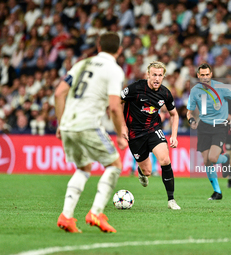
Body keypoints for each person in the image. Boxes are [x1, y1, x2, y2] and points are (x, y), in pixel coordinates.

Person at [55, 32, 128, 233]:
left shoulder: (81, 64)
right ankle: (96, 212)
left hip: (68, 125)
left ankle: (66, 216)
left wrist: (61, 124)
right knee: (114, 165)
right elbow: (114, 106)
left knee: (83, 167)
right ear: (119, 50)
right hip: (88, 125)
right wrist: (121, 133)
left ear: (98, 47)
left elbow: (59, 92)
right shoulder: (114, 70)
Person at [121, 61, 181, 210]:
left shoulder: (165, 93)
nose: (157, 78)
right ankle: (142, 172)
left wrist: (174, 135)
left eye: (160, 75)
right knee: (147, 171)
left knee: (165, 160)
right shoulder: (135, 88)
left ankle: (171, 200)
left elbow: (174, 114)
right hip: (134, 133)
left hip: (153, 129)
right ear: (148, 74)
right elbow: (117, 102)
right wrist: (122, 126)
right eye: (154, 75)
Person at [186, 63, 231, 200]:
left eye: (207, 74)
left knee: (213, 158)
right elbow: (189, 111)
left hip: (219, 126)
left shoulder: (221, 88)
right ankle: (217, 192)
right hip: (203, 127)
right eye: (202, 75)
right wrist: (191, 120)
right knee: (207, 161)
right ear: (198, 75)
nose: (204, 77)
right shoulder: (195, 90)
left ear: (211, 74)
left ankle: (225, 159)